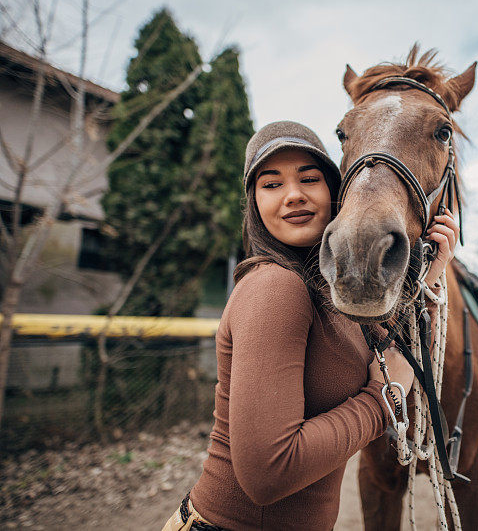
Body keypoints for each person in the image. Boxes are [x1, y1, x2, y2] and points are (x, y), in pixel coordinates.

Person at [161, 121, 459, 530]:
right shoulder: (275, 288)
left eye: (309, 178)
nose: (294, 195)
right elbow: (269, 474)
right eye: (271, 184)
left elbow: (392, 347)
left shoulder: (322, 290)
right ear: (254, 205)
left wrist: (431, 273)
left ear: (336, 193)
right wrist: (380, 403)